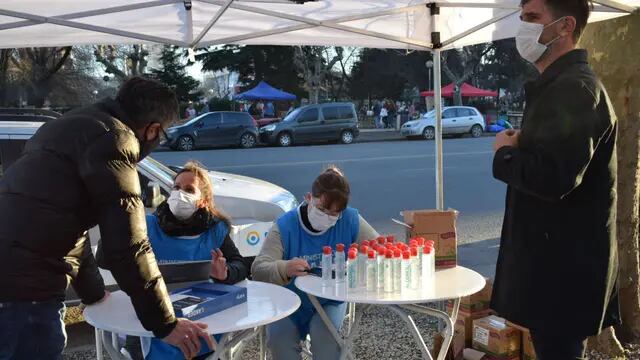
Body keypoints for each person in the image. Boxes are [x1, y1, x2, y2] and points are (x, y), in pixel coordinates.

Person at [0, 77, 214, 360]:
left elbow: (68, 225)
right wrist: (166, 324)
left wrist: (94, 294)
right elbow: (129, 245)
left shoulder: (66, 125)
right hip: (25, 294)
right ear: (152, 130)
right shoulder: (116, 140)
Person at [491, 1, 619, 358]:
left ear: (566, 26)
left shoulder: (574, 89)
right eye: (521, 19)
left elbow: (552, 177)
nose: (523, 28)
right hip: (555, 271)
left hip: (561, 277)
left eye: (532, 18)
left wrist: (505, 153)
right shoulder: (562, 85)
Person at [252, 167, 378, 360]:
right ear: (309, 197)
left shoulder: (350, 219)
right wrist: (284, 268)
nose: (327, 217)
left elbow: (381, 249)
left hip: (330, 299)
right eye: (321, 209)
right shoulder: (285, 226)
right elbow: (259, 269)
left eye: (334, 214)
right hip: (289, 299)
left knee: (325, 340)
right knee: (280, 342)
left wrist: (366, 257)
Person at [137, 161, 249, 360]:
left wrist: (225, 273)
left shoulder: (215, 229)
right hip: (160, 315)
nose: (180, 194)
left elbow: (240, 265)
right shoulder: (148, 225)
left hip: (205, 315)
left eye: (189, 189)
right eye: (176, 187)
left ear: (203, 200)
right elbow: (114, 258)